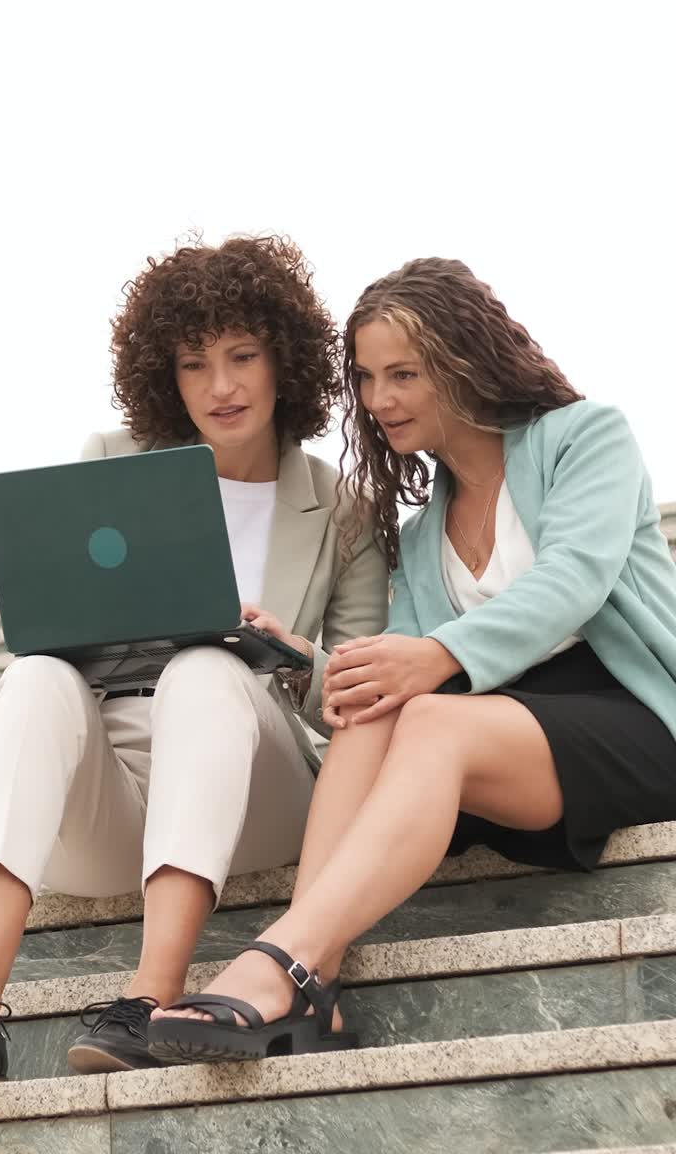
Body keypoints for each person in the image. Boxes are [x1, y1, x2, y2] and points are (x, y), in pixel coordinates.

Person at [146, 254, 676, 1064]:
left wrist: (432, 656)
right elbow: (399, 668)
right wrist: (308, 662)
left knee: (426, 710)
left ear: (466, 361)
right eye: (365, 377)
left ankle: (284, 957)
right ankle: (311, 995)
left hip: (631, 717)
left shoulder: (584, 437)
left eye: (403, 374)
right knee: (377, 704)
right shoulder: (425, 527)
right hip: (504, 733)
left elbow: (574, 579)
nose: (377, 399)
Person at [0, 233, 388, 1085]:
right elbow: (58, 628)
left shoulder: (342, 509)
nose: (221, 387)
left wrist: (292, 655)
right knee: (35, 673)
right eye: (195, 364)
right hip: (113, 796)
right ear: (166, 376)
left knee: (208, 665)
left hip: (257, 797)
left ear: (283, 362)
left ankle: (148, 1001)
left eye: (242, 356)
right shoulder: (112, 461)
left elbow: (362, 699)